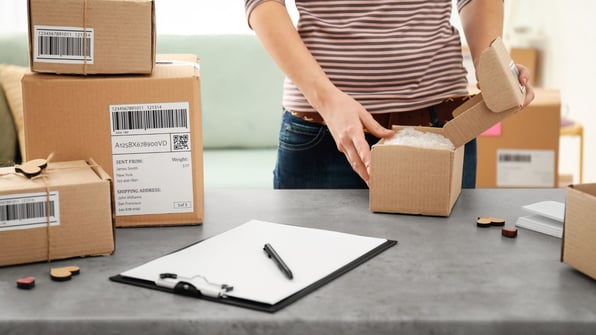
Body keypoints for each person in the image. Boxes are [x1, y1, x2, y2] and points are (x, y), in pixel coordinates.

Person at [244, 0, 535, 189]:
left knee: (446, 274)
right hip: (325, 132)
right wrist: (328, 101)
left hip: (443, 128)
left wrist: (491, 62)